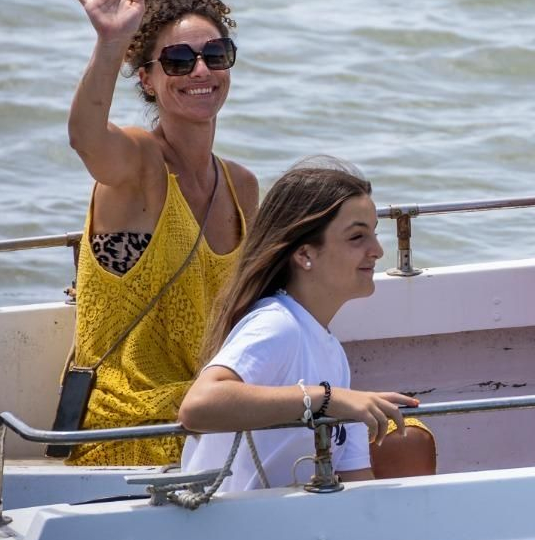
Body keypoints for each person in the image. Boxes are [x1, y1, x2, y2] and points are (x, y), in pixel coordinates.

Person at [63, 0, 259, 466]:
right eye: (177, 61)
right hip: (130, 424)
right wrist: (109, 45)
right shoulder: (138, 167)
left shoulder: (242, 186)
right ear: (148, 79)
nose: (200, 70)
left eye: (215, 55)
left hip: (212, 414)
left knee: (391, 430)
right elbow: (86, 139)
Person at [179, 160, 435, 489]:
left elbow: (359, 485)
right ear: (304, 255)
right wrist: (325, 399)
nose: (377, 250)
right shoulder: (276, 325)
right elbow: (198, 407)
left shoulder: (333, 353)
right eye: (357, 237)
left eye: (373, 233)